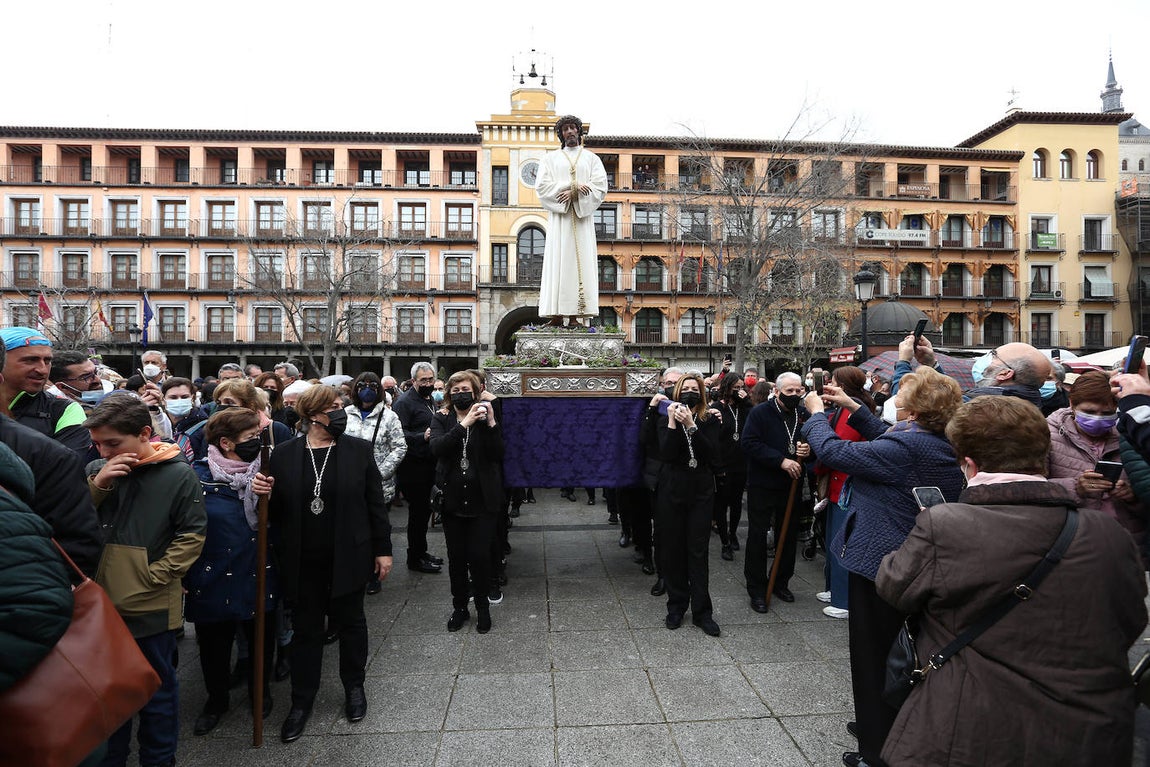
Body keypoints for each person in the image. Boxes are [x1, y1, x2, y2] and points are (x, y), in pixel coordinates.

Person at [876, 395, 1148, 766]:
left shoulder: (945, 524)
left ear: (969, 464)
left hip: (974, 724)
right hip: (1089, 728)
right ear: (1042, 456)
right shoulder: (1108, 532)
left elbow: (894, 586)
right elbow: (1131, 619)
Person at [800, 360, 964, 767]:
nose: (893, 398)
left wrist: (816, 415)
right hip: (908, 560)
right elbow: (884, 436)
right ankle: (883, 722)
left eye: (901, 395)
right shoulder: (931, 438)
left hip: (882, 565)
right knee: (898, 652)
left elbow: (835, 451)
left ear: (914, 410)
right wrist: (852, 406)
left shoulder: (908, 447)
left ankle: (876, 751)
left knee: (873, 656)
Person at [255, 384, 393, 743]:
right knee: (306, 631)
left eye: (340, 405)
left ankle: (354, 687)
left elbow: (375, 504)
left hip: (349, 554)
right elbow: (275, 512)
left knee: (351, 623)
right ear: (313, 414)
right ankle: (301, 700)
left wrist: (383, 549)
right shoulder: (284, 454)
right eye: (332, 407)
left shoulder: (357, 451)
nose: (340, 411)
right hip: (303, 558)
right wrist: (263, 494)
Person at [85, 395, 206, 767]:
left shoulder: (177, 473)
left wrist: (155, 575)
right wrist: (99, 484)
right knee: (108, 692)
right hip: (98, 602)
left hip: (149, 602)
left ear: (143, 434)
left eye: (112, 443)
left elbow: (192, 534)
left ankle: (159, 759)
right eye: (98, 444)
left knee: (156, 690)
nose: (104, 451)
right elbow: (75, 520)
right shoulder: (96, 468)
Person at [185, 408, 278, 735]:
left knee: (260, 640)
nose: (258, 442)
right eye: (251, 437)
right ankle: (216, 699)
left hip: (256, 570)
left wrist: (271, 497)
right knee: (214, 646)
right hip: (212, 575)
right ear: (226, 443)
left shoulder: (267, 471)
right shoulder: (196, 476)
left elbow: (282, 519)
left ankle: (260, 692)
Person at [429, 371, 504, 633]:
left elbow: (498, 454)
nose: (461, 394)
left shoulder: (484, 418)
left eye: (466, 390)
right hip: (452, 501)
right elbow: (437, 448)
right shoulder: (442, 417)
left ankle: (482, 607)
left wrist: (491, 423)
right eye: (456, 390)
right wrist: (464, 424)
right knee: (457, 558)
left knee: (480, 556)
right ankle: (459, 607)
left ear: (475, 392)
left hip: (482, 501)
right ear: (449, 394)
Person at [655, 372, 723, 637]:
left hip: (700, 492)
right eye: (686, 388)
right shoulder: (665, 418)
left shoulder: (709, 418)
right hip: (672, 490)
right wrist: (674, 422)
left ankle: (702, 612)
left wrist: (692, 425)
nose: (690, 393)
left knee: (698, 551)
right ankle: (676, 606)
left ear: (702, 393)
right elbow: (667, 453)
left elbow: (713, 455)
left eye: (696, 389)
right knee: (673, 551)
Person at [1046, 370, 1147, 545]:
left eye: (1107, 413)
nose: (1097, 419)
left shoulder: (1133, 435)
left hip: (1128, 540)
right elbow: (1033, 487)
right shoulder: (1047, 436)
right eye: (1089, 411)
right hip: (1073, 541)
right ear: (1072, 404)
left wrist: (1133, 495)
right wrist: (1075, 487)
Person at [810, 366, 876, 620]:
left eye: (833, 381)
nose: (828, 384)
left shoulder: (853, 410)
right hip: (837, 485)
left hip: (846, 486)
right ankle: (833, 589)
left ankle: (844, 599)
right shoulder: (844, 408)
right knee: (832, 540)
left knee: (842, 544)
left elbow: (836, 448)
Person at [741, 372, 811, 611]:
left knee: (787, 535)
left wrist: (807, 452)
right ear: (777, 391)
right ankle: (757, 588)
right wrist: (780, 460)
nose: (794, 394)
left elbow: (811, 444)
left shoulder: (803, 414)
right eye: (789, 391)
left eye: (798, 391)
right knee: (758, 535)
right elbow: (749, 443)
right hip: (763, 483)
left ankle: (780, 581)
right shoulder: (760, 413)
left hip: (791, 484)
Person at [535, 114, 608, 327]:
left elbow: (600, 186)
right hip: (560, 220)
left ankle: (576, 316)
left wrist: (576, 194)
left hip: (582, 221)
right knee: (558, 262)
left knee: (579, 263)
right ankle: (556, 315)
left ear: (578, 131)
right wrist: (570, 187)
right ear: (561, 134)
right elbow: (542, 187)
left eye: (572, 128)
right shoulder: (549, 159)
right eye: (565, 129)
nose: (569, 132)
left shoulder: (591, 159)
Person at [344, 372, 407, 596]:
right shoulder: (346, 414)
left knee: (376, 528)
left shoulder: (389, 416)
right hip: (350, 483)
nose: (367, 389)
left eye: (372, 385)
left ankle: (374, 573)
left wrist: (381, 473)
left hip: (378, 485)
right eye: (362, 385)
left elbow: (399, 447)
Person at [0, 327, 90, 456]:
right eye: (30, 360)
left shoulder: (64, 410)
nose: (42, 370)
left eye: (47, 361)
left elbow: (69, 464)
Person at [393, 361, 445, 573]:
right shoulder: (404, 403)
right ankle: (414, 558)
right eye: (423, 380)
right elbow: (398, 434)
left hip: (428, 464)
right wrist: (421, 436)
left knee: (424, 513)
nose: (428, 383)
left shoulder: (429, 399)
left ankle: (421, 551)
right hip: (413, 467)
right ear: (414, 380)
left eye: (431, 379)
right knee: (417, 514)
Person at [711, 371, 751, 560]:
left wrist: (746, 401)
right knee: (721, 504)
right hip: (723, 463)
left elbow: (753, 421)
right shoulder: (717, 407)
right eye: (735, 388)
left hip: (740, 462)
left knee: (736, 502)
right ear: (727, 387)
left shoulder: (743, 408)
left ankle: (733, 533)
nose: (739, 391)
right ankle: (725, 541)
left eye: (741, 387)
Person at [964, 342, 1051, 407]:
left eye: (993, 354)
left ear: (1004, 374)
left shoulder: (968, 408)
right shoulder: (1032, 410)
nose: (986, 357)